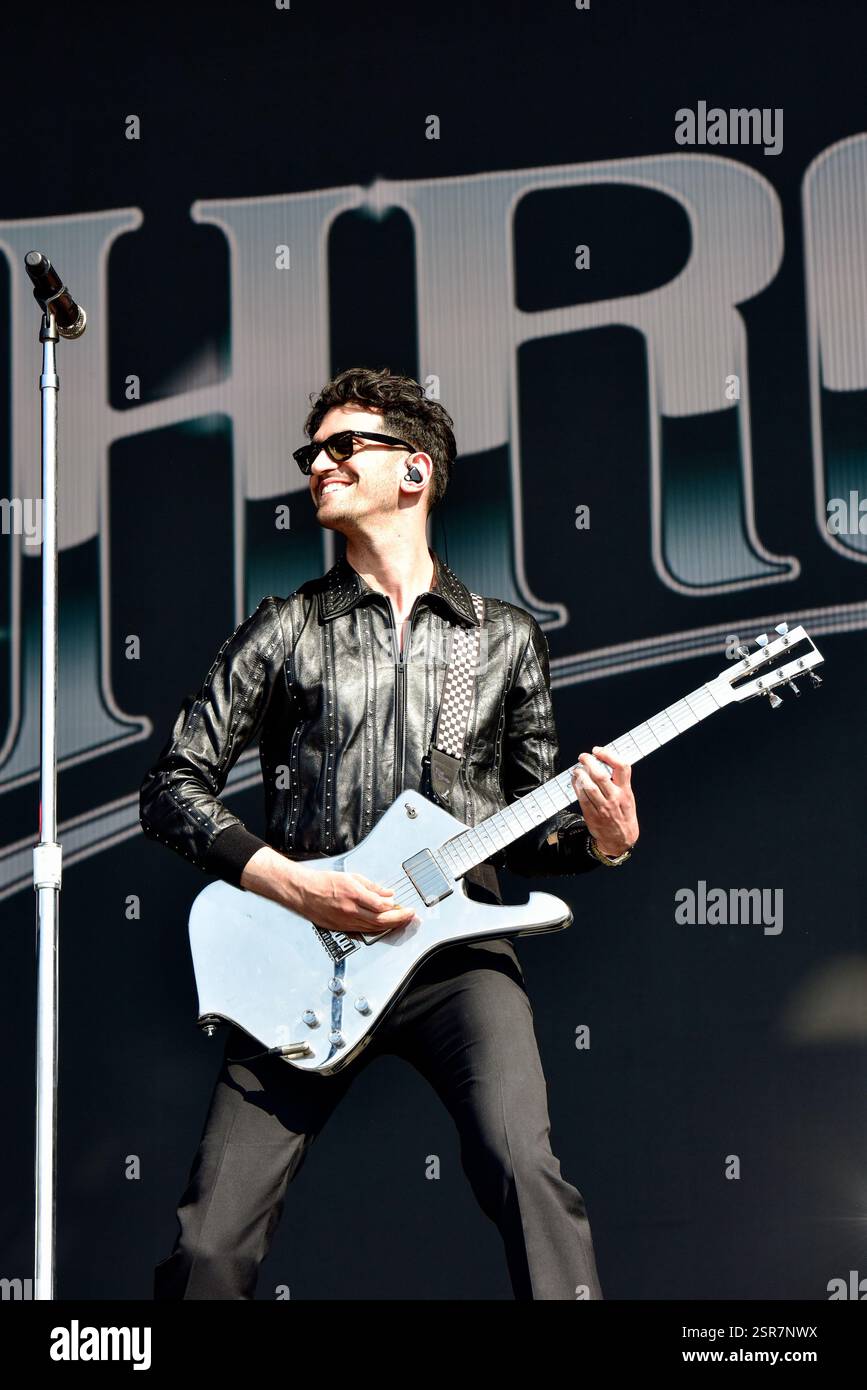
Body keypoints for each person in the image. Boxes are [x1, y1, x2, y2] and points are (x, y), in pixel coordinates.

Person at [140, 366, 639, 1300]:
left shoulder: (502, 639)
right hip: (304, 952)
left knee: (524, 1171)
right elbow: (171, 786)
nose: (315, 466)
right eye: (309, 453)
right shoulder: (284, 630)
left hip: (457, 956)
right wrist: (296, 886)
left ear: (413, 471)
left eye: (340, 447)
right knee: (209, 1244)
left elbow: (532, 828)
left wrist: (604, 838)